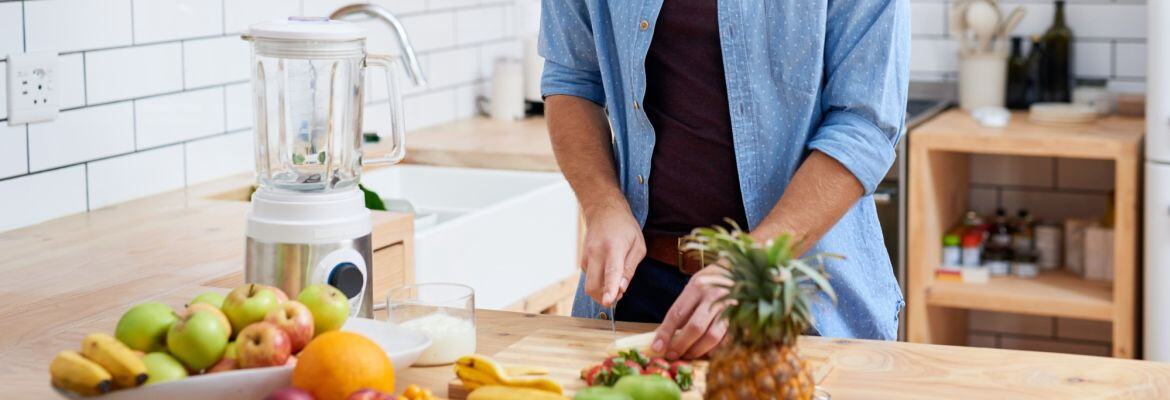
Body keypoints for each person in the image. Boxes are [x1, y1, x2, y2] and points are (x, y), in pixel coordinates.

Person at [539, 0, 909, 360]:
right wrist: (603, 204)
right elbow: (572, 81)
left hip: (798, 302)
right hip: (637, 296)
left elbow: (865, 124)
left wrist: (750, 265)